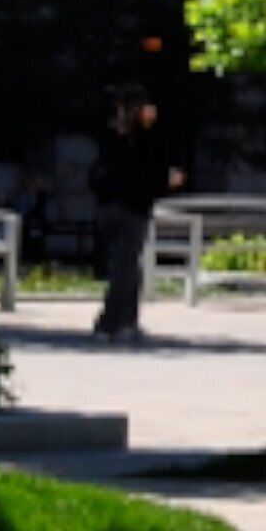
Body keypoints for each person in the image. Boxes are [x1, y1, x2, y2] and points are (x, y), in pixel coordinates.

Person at [90, 84, 184, 343]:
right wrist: (167, 179)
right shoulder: (143, 138)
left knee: (130, 266)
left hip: (108, 206)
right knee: (125, 267)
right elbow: (152, 168)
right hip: (131, 208)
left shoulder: (110, 134)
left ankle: (128, 321)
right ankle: (108, 323)